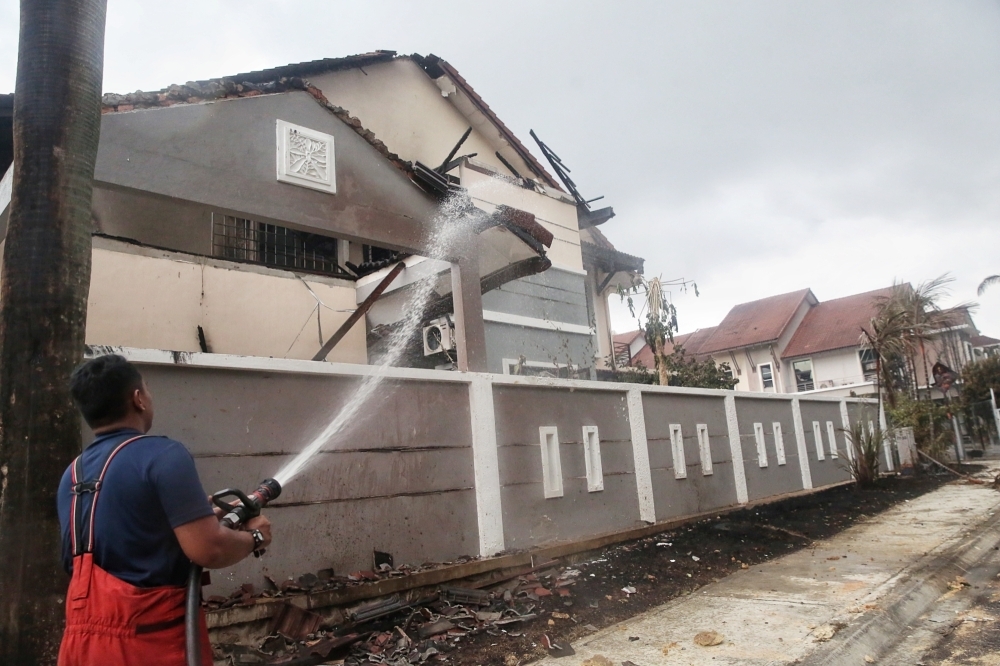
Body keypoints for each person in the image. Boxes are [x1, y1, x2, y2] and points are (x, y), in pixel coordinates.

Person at [56, 354, 272, 665]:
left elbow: (116, 546)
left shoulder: (72, 474)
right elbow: (209, 549)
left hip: (80, 645)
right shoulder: (163, 454)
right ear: (138, 399)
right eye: (147, 389)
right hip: (146, 642)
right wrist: (255, 537)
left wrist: (194, 518)